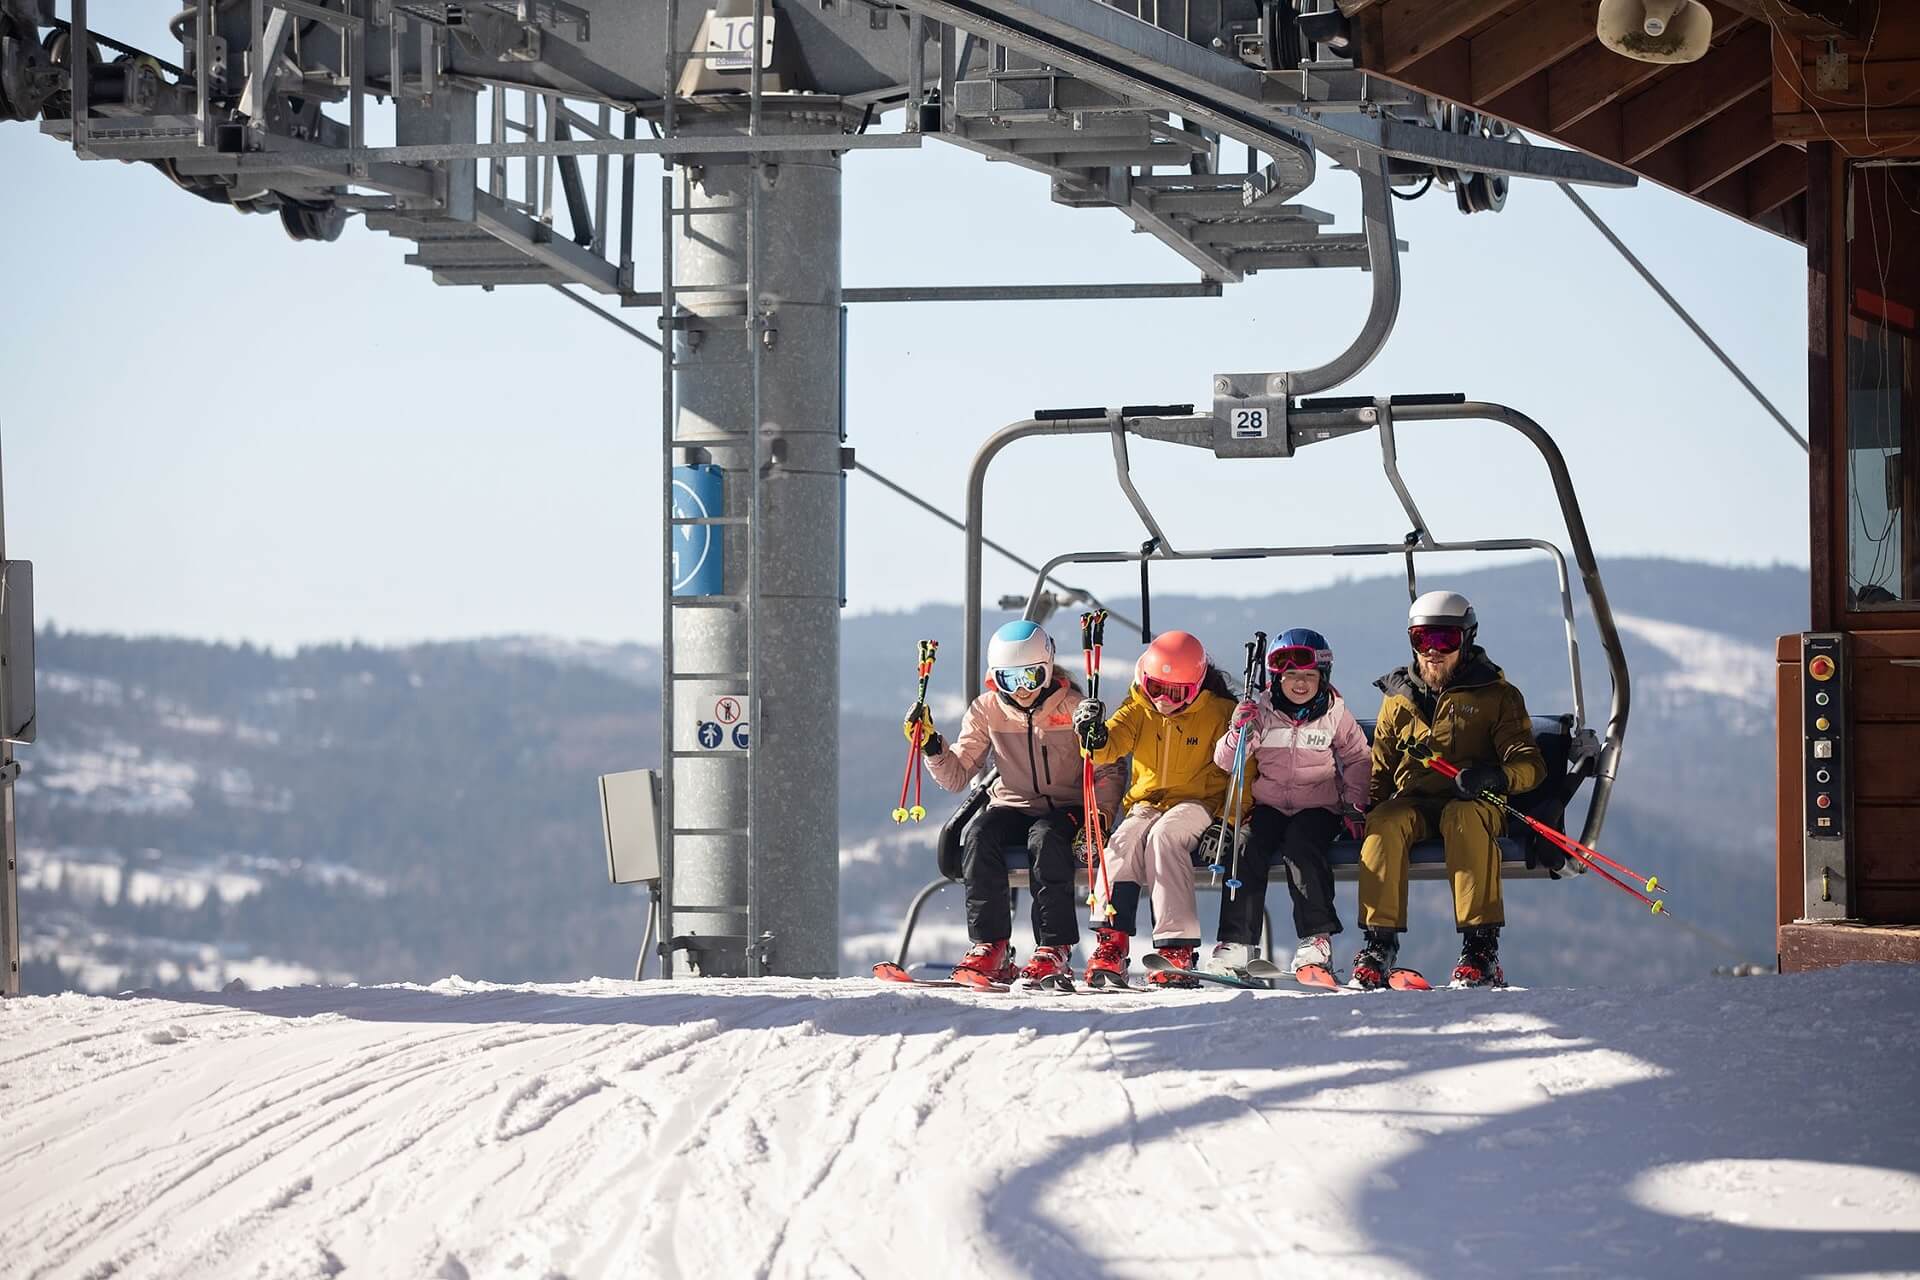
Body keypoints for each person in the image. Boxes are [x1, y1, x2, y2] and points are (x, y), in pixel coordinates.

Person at [913, 620, 1122, 989]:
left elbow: (1107, 767)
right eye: (1011, 680)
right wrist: (932, 747)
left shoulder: (1074, 707)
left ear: (1048, 668)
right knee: (979, 833)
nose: (1022, 690)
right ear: (996, 679)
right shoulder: (987, 710)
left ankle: (1053, 946)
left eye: (1031, 677)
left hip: (1067, 807)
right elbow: (957, 776)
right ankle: (990, 945)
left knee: (1047, 837)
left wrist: (1099, 816)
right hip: (1013, 803)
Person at [1354, 591, 1545, 989]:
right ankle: (1378, 944)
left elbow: (1530, 763)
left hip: (1475, 801)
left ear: (1466, 639)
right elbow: (1382, 768)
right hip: (1416, 802)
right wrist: (1366, 808)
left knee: (1463, 816)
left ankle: (1480, 948)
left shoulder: (1496, 695)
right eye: (1422, 640)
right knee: (1385, 820)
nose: (1433, 651)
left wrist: (1494, 777)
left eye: (1445, 641)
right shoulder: (1398, 699)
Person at [1205, 628, 1370, 984]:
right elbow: (1224, 760)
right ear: (1276, 678)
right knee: (1245, 846)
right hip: (1270, 804)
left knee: (1301, 847)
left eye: (1309, 676)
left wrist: (1356, 805)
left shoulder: (1334, 713)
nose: (1299, 683)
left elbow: (1358, 758)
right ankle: (1236, 943)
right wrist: (1238, 730)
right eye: (1291, 676)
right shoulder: (1262, 711)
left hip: (1318, 805)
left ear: (1322, 677)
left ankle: (1315, 940)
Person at [1074, 630, 1234, 988]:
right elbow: (1107, 748)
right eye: (1155, 687)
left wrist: (1230, 822)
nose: (1162, 700)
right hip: (1147, 804)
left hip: (1197, 802)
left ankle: (1176, 947)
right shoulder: (1138, 709)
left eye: (1175, 693)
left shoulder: (1219, 714)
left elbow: (1244, 771)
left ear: (1195, 685)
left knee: (1164, 839)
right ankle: (1111, 942)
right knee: (1123, 841)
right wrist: (1092, 736)